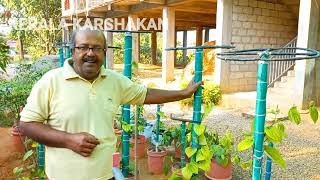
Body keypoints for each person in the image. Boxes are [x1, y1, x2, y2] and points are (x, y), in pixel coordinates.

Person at [19, 29, 202, 180]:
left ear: (104, 53)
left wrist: (183, 93)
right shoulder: (51, 81)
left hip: (104, 175)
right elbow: (27, 125)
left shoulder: (114, 81)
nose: (90, 53)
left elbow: (145, 94)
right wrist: (68, 140)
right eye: (83, 47)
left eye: (97, 48)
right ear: (73, 51)